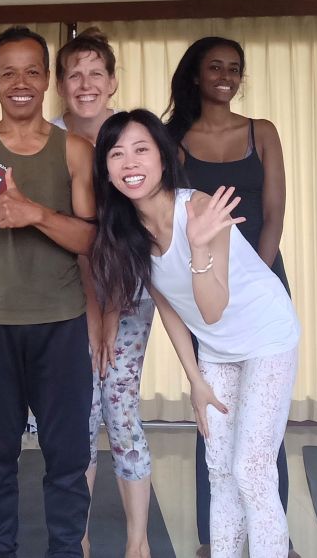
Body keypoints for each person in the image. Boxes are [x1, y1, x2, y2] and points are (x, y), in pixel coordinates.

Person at [91, 109, 300, 558]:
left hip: (267, 336)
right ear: (106, 170)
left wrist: (200, 245)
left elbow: (211, 307)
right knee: (219, 469)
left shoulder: (200, 209)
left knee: (252, 470)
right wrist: (195, 379)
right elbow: (169, 305)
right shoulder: (129, 231)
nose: (130, 162)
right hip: (218, 350)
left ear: (163, 159)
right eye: (117, 154)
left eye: (141, 149)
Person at [0, 26, 96, 558]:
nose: (21, 82)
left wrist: (35, 214)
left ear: (48, 79)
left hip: (61, 324)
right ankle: (0, 551)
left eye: (32, 71)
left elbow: (91, 240)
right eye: (8, 72)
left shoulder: (75, 150)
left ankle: (66, 551)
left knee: (68, 459)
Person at [164, 37, 298, 558]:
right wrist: (218, 284)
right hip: (206, 288)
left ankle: (272, 536)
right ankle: (215, 540)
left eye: (234, 68)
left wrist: (255, 277)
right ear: (196, 75)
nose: (225, 76)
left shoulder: (261, 132)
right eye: (215, 67)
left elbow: (274, 210)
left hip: (261, 281)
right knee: (215, 420)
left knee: (263, 423)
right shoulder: (175, 140)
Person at [53, 28, 120, 557]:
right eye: (74, 74)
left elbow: (130, 238)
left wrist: (109, 317)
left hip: (126, 290)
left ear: (112, 82)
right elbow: (74, 238)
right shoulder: (47, 138)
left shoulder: (131, 136)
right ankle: (78, 537)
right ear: (60, 85)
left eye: (96, 72)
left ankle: (136, 541)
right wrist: (92, 317)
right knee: (75, 416)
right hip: (64, 292)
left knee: (120, 410)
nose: (86, 83)